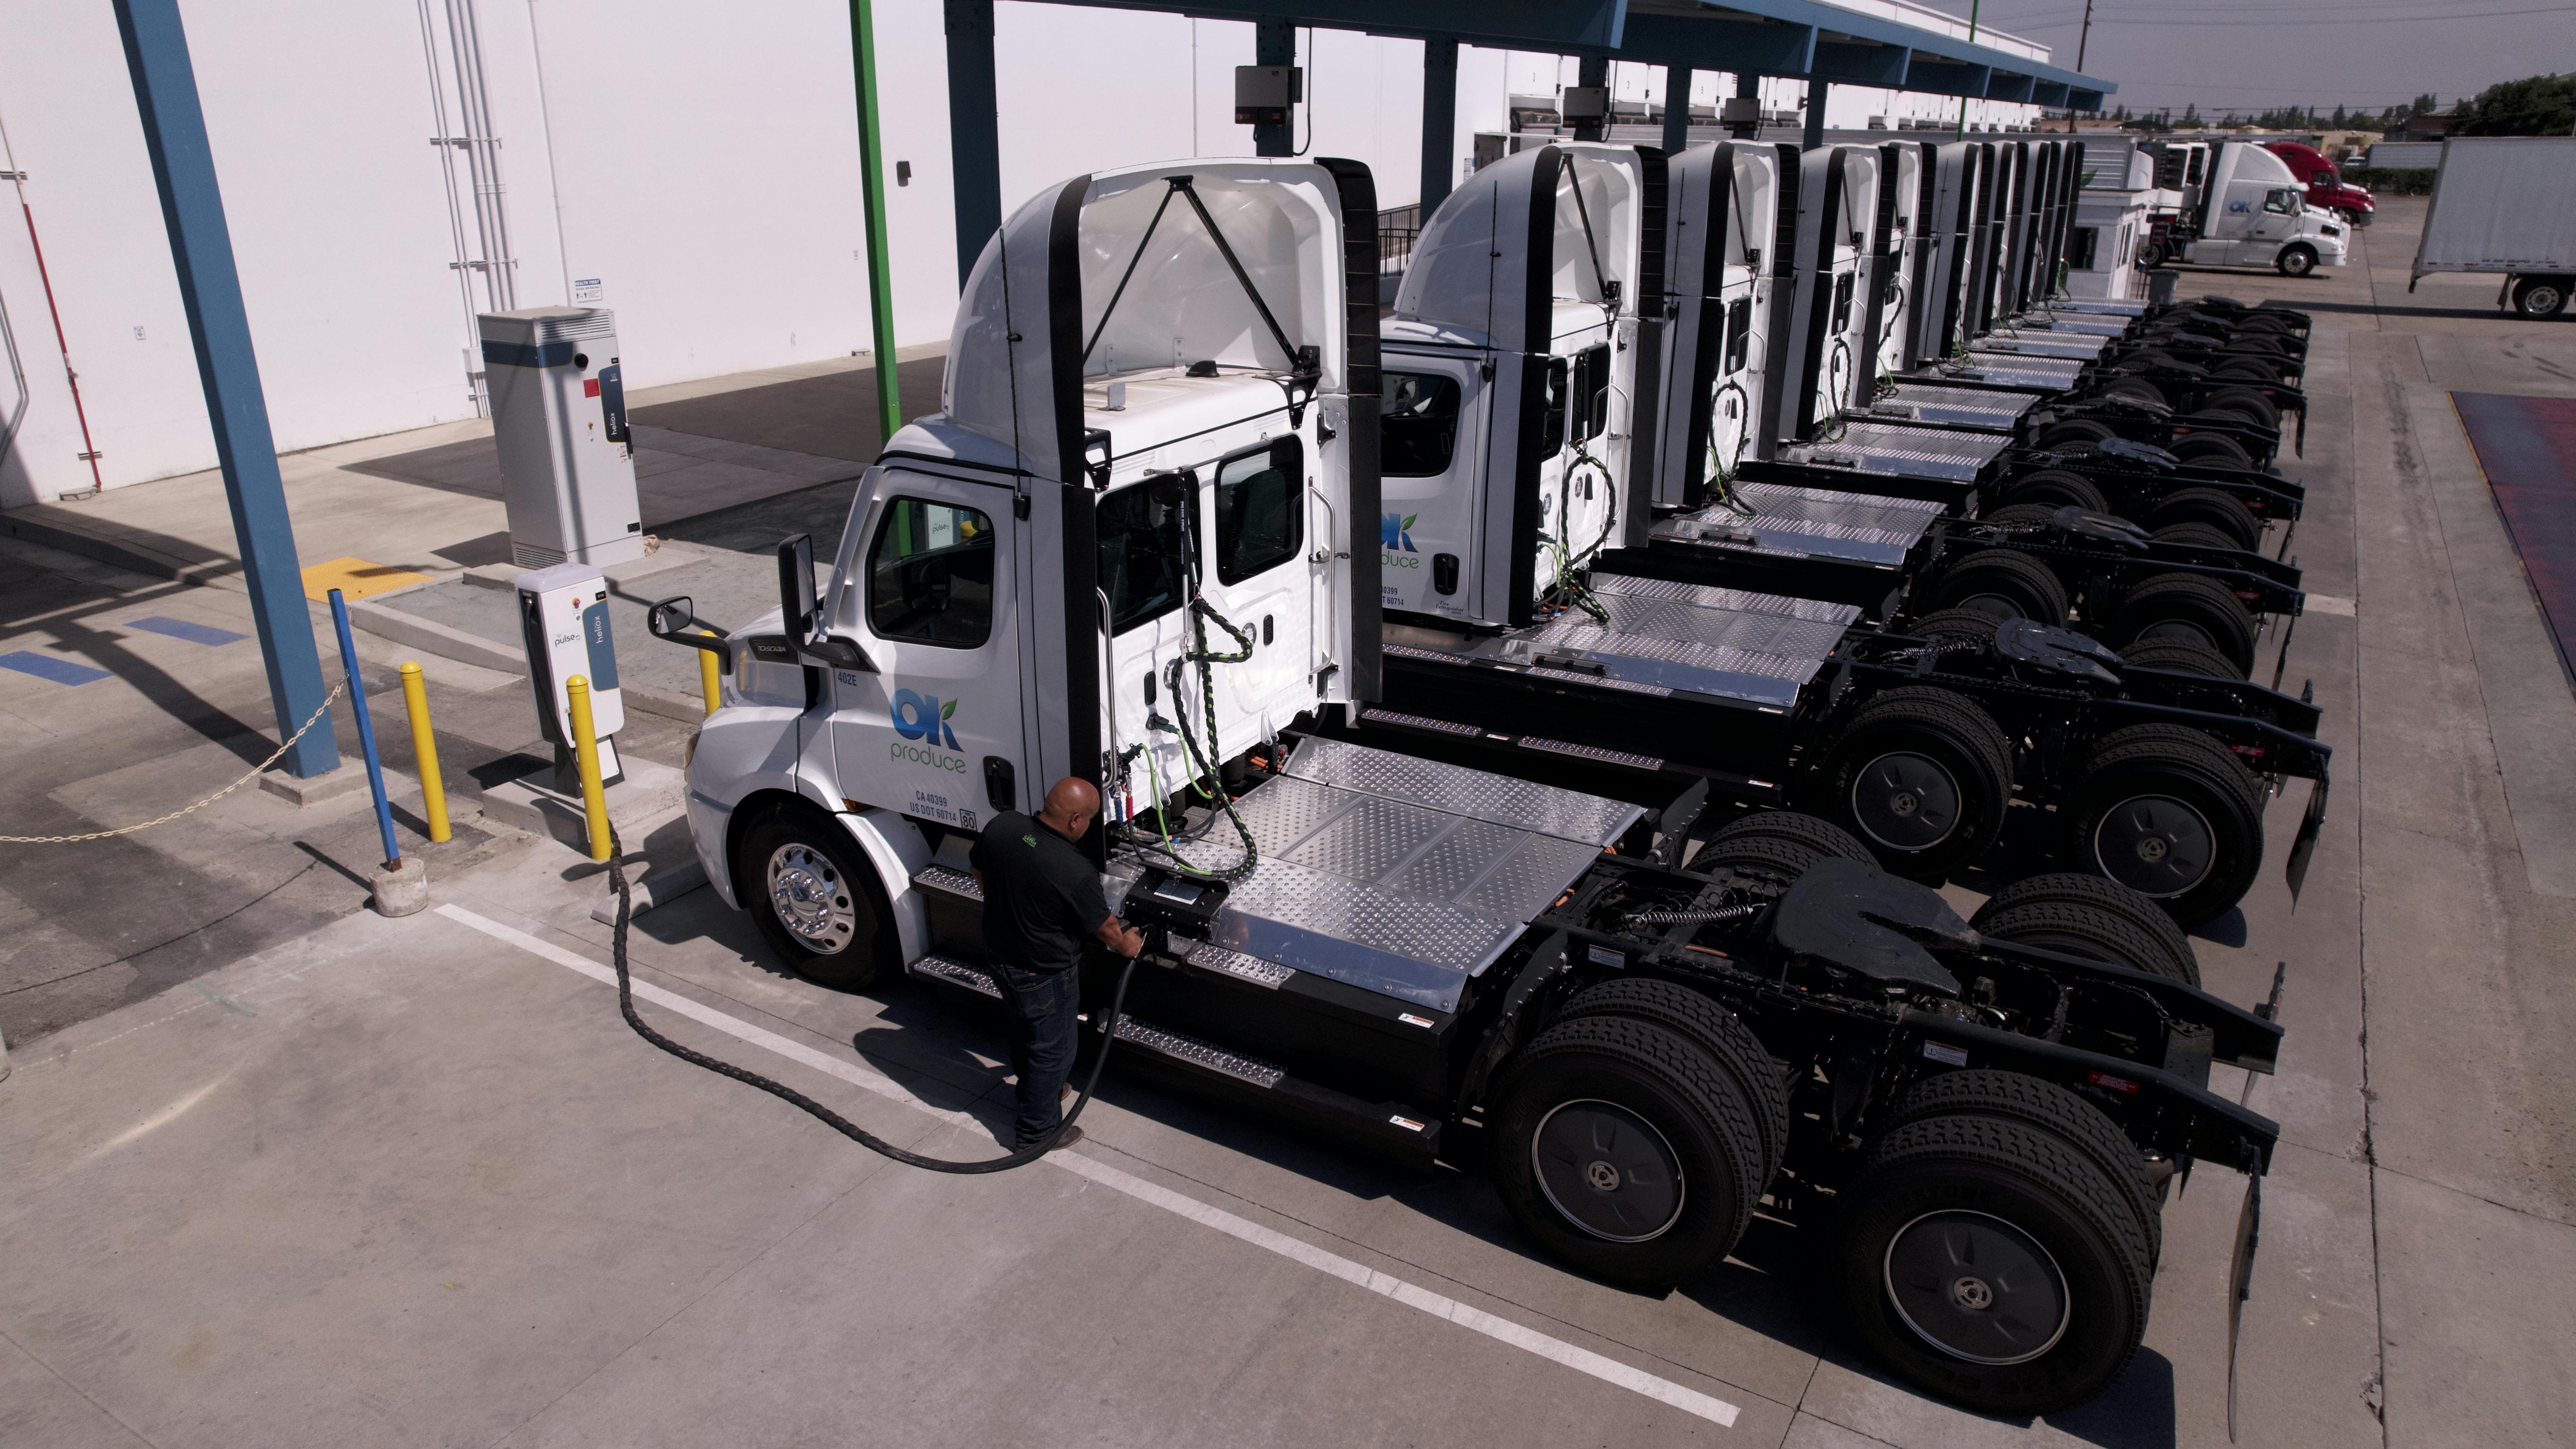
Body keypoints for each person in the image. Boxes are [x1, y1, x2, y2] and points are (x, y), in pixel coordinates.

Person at [969, 777, 1144, 1151]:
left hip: (1000, 957)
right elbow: (1107, 930)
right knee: (1054, 1049)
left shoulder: (1005, 825)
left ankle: (1033, 1089)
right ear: (1076, 820)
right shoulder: (1073, 869)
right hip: (1044, 974)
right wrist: (1130, 946)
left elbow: (979, 869)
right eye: (1091, 820)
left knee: (1022, 1029)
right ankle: (1037, 1131)